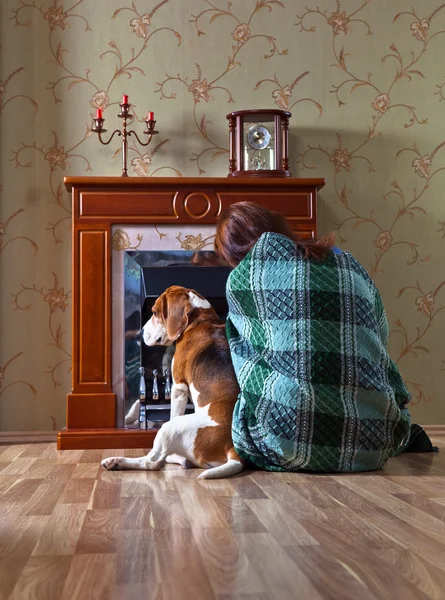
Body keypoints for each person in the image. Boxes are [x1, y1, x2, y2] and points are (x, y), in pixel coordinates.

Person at [214, 201, 432, 473]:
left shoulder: (243, 278)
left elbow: (241, 354)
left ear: (233, 251)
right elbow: (380, 338)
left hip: (285, 441)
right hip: (375, 442)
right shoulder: (350, 265)